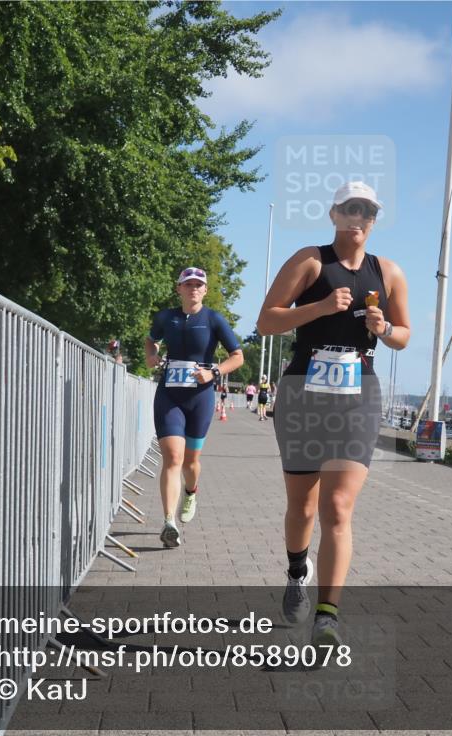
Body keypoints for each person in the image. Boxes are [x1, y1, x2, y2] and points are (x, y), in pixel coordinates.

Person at [257, 181, 410, 648]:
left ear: (374, 220)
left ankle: (327, 616)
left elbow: (404, 335)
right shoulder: (310, 261)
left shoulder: (388, 272)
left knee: (338, 506)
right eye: (350, 209)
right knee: (302, 506)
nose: (358, 218)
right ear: (335, 214)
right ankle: (296, 571)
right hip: (303, 393)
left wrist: (385, 328)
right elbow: (267, 320)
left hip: (358, 396)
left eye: (367, 211)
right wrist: (320, 307)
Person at [145, 267, 244, 547]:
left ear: (206, 290)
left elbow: (238, 356)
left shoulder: (214, 319)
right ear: (179, 289)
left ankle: (191, 492)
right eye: (188, 284)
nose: (194, 289)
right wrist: (151, 355)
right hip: (170, 395)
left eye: (199, 285)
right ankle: (169, 522)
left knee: (190, 462)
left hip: (200, 398)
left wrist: (214, 372)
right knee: (172, 458)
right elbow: (151, 340)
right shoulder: (166, 317)